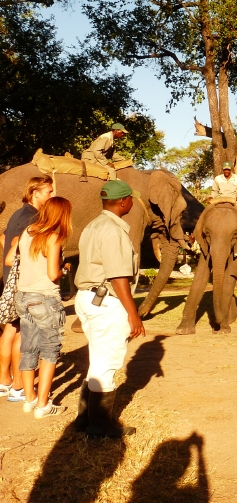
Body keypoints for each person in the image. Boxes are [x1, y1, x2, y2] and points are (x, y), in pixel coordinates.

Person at [73, 180, 145, 438]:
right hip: (105, 301)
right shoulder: (114, 231)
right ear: (123, 201)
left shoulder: (93, 225)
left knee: (98, 359)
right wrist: (133, 314)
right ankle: (100, 426)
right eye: (131, 199)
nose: (132, 202)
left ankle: (84, 419)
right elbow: (118, 277)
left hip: (88, 298)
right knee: (107, 362)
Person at [4, 196, 72, 418]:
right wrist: (64, 270)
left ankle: (29, 399)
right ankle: (43, 405)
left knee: (28, 348)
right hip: (45, 298)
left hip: (23, 297)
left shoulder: (27, 232)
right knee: (50, 351)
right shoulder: (53, 237)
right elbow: (52, 274)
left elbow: (10, 260)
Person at [1, 176, 54, 403]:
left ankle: (4, 381)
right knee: (24, 333)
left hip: (11, 279)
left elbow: (4, 239)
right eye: (48, 191)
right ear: (35, 193)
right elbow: (15, 244)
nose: (51, 195)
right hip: (22, 282)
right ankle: (18, 385)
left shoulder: (18, 213)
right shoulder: (31, 217)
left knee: (11, 329)